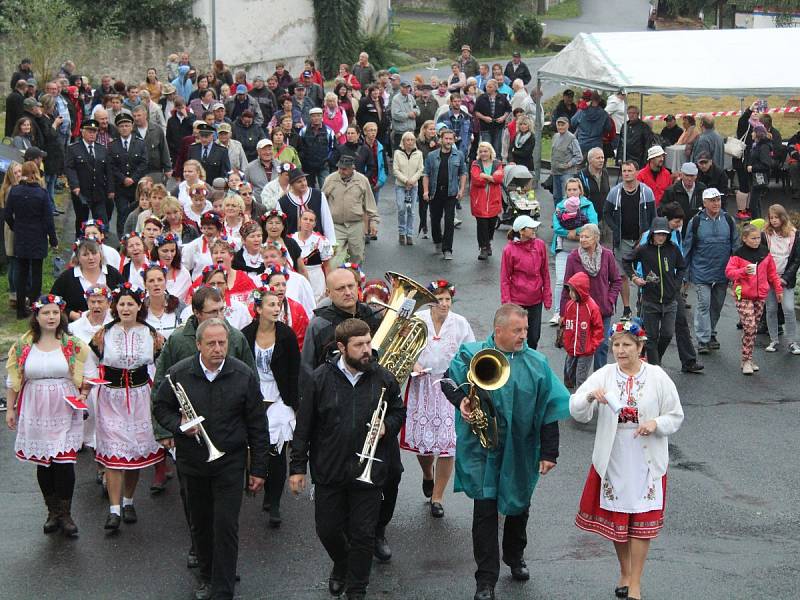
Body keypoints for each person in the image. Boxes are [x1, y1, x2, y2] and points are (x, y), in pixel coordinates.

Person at [440, 304, 570, 600]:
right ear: (498, 331)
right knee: (484, 512)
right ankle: (485, 580)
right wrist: (461, 400)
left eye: (525, 330)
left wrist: (550, 452)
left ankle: (515, 555)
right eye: (517, 330)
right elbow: (447, 381)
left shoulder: (537, 362)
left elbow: (550, 408)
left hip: (521, 448)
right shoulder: (471, 354)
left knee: (517, 506)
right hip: (482, 449)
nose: (524, 335)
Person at [289, 318, 405, 599]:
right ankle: (342, 564)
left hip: (369, 469)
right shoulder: (319, 379)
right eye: (359, 345)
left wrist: (387, 426)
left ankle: (357, 590)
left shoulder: (383, 377)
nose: (367, 350)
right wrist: (297, 468)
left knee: (363, 535)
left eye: (368, 342)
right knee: (328, 530)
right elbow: (304, 426)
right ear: (342, 347)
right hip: (330, 469)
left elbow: (398, 411)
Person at [153, 317, 266, 600]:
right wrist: (179, 424)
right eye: (212, 343)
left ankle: (223, 589)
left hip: (230, 460)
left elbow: (257, 424)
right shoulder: (179, 373)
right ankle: (207, 575)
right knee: (201, 524)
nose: (218, 349)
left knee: (226, 525)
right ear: (198, 345)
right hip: (193, 462)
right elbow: (160, 406)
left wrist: (259, 469)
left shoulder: (242, 374)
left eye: (222, 343)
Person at [570, 320, 684, 600]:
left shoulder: (657, 377)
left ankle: (635, 582)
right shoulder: (605, 374)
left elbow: (675, 415)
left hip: (646, 457)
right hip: (615, 455)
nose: (620, 351)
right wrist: (588, 397)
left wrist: (655, 424)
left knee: (642, 517)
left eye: (626, 345)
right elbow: (575, 408)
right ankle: (624, 570)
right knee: (619, 517)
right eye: (616, 345)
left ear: (640, 346)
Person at [5, 295, 93, 537]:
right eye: (46, 313)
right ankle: (52, 511)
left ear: (61, 315)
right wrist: (11, 409)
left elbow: (90, 373)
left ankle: (66, 513)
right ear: (37, 316)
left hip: (64, 406)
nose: (51, 317)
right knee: (44, 462)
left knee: (64, 461)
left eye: (55, 313)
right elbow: (13, 380)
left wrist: (84, 395)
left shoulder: (72, 344)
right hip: (35, 407)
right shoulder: (23, 346)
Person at [89, 283, 165, 531]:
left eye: (130, 303)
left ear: (138, 306)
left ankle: (129, 501)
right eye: (121, 303)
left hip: (140, 397)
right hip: (111, 398)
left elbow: (160, 365)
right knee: (113, 455)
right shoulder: (103, 334)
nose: (125, 307)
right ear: (115, 306)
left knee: (133, 453)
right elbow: (91, 363)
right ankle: (113, 510)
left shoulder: (151, 334)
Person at [401, 280, 473, 517]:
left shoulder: (460, 323)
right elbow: (403, 347)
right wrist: (414, 363)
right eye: (439, 299)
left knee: (447, 444)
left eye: (447, 299)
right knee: (424, 444)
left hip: (449, 385)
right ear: (431, 301)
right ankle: (427, 474)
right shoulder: (418, 320)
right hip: (422, 384)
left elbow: (470, 353)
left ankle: (438, 496)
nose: (444, 304)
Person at [241, 288, 300, 526]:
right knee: (256, 447)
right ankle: (259, 485)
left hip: (279, 397)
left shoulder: (286, 335)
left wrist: (295, 404)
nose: (276, 308)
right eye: (271, 305)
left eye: (278, 304)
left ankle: (274, 501)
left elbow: (295, 372)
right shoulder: (245, 335)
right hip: (254, 396)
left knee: (276, 452)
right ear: (258, 309)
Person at [624, 217, 686, 366]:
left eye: (664, 234)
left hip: (670, 301)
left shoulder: (673, 248)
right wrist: (634, 278)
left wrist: (676, 284)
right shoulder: (643, 249)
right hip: (650, 300)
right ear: (652, 234)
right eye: (658, 234)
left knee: (667, 334)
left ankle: (654, 360)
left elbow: (682, 267)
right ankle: (655, 367)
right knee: (651, 337)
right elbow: (626, 260)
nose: (661, 237)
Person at [561, 224, 623, 371]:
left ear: (596, 238)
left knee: (601, 346)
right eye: (581, 236)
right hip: (580, 311)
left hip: (602, 310)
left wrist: (610, 300)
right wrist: (563, 313)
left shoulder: (607, 255)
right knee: (578, 345)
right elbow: (566, 286)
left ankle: (599, 378)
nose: (582, 239)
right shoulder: (573, 257)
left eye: (586, 237)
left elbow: (616, 281)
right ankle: (570, 377)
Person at [683, 187, 737, 354]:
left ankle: (711, 333)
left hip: (723, 272)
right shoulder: (696, 221)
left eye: (718, 200)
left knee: (717, 305)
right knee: (703, 305)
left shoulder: (728, 220)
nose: (716, 203)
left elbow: (735, 246)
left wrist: (737, 271)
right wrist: (684, 273)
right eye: (712, 200)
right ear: (704, 202)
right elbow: (687, 248)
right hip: (701, 271)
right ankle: (703, 339)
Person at [726, 224, 783, 375]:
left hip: (760, 296)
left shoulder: (765, 252)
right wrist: (743, 271)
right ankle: (746, 360)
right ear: (744, 239)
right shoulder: (738, 254)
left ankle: (748, 358)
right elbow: (729, 273)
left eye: (758, 237)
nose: (757, 241)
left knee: (752, 329)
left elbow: (772, 273)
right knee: (750, 326)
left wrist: (778, 289)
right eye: (753, 238)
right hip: (742, 295)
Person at [4, 162, 58, 319]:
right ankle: (36, 307)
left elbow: (7, 215)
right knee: (36, 273)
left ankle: (20, 309)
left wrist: (16, 228)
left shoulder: (14, 191)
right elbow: (49, 220)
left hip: (21, 236)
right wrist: (53, 240)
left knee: (22, 273)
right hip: (37, 236)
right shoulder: (41, 193)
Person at [604, 161, 657, 319]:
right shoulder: (615, 192)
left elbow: (653, 215)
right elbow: (606, 213)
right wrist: (615, 229)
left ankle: (643, 304)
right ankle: (626, 308)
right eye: (624, 171)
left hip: (642, 240)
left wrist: (648, 235)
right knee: (623, 275)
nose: (626, 173)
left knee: (645, 274)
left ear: (636, 172)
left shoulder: (646, 192)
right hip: (623, 240)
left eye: (630, 170)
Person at [552, 178, 599, 325]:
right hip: (564, 249)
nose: (572, 192)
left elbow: (593, 225)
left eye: (575, 189)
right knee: (561, 281)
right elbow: (557, 227)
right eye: (569, 190)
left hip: (583, 250)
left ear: (580, 191)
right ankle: (557, 312)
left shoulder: (588, 205)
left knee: (585, 281)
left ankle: (585, 310)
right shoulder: (560, 207)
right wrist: (570, 233)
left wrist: (575, 231)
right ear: (566, 191)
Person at [500, 215, 550, 350]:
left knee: (534, 337)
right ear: (521, 231)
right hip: (518, 302)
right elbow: (505, 278)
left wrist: (547, 296)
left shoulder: (539, 245)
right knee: (517, 336)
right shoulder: (509, 250)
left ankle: (530, 360)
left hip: (536, 300)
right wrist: (507, 303)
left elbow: (545, 271)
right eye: (531, 227)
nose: (535, 229)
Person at [322, 155, 378, 267]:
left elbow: (370, 203)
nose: (341, 171)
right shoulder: (330, 179)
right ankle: (337, 282)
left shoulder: (362, 180)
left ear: (352, 168)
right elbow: (322, 202)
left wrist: (373, 222)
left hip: (356, 224)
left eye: (344, 169)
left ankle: (355, 282)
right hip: (336, 225)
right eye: (339, 168)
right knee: (334, 258)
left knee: (357, 257)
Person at [51, 237, 123, 321]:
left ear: (100, 254)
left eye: (94, 253)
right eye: (85, 255)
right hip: (76, 327)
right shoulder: (67, 277)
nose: (91, 258)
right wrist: (71, 314)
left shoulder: (112, 273)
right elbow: (53, 301)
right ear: (78, 257)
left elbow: (126, 296)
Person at [422, 129, 467, 261]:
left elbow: (463, 173)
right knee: (435, 220)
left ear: (453, 140)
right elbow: (426, 174)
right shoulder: (432, 155)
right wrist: (425, 191)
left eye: (450, 139)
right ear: (441, 140)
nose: (448, 141)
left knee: (449, 221)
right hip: (435, 193)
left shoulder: (458, 155)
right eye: (446, 139)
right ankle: (437, 240)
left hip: (451, 193)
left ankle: (447, 249)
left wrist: (461, 190)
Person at [64, 120, 114, 237]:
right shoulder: (74, 148)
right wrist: (75, 185)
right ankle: (80, 244)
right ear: (82, 132)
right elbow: (69, 168)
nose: (92, 134)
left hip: (99, 191)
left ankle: (100, 245)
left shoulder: (102, 149)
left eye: (94, 131)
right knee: (82, 221)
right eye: (89, 131)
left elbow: (109, 170)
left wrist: (111, 189)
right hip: (82, 192)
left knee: (102, 222)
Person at [763, 204, 800, 354]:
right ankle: (774, 340)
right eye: (771, 218)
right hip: (769, 278)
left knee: (789, 308)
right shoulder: (765, 234)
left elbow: (797, 259)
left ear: (782, 217)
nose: (773, 221)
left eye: (776, 217)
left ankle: (792, 341)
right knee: (771, 309)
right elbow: (762, 255)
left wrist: (785, 278)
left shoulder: (793, 234)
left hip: (786, 279)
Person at [560, 271, 604, 389]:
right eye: (569, 291)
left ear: (581, 291)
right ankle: (569, 396)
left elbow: (598, 329)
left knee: (581, 378)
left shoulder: (592, 307)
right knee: (568, 374)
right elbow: (566, 324)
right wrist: (565, 340)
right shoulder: (569, 305)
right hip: (571, 349)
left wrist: (592, 346)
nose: (571, 294)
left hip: (585, 351)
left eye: (573, 291)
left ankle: (581, 401)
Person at [109, 113, 149, 238]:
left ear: (132, 127)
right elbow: (111, 166)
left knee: (138, 211)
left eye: (127, 125)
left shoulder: (140, 143)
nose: (124, 128)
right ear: (118, 128)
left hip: (136, 186)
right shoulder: (112, 145)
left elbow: (144, 162)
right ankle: (122, 240)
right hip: (120, 186)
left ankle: (137, 237)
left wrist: (133, 178)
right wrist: (123, 178)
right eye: (121, 126)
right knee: (122, 212)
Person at [258, 264, 310, 350]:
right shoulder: (259, 308)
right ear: (267, 286)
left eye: (284, 285)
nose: (281, 288)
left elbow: (304, 338)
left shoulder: (297, 308)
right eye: (277, 285)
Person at [470, 142, 504, 261]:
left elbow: (499, 178)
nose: (483, 154)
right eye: (481, 152)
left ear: (490, 152)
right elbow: (476, 180)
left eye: (486, 151)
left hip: (494, 199)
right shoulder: (476, 164)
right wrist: (490, 178)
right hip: (480, 200)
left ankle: (488, 242)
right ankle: (483, 247)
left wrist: (485, 176)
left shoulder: (497, 163)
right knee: (482, 225)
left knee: (491, 224)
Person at [392, 131, 424, 247]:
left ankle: (409, 234)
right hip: (401, 185)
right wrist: (405, 180)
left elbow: (420, 169)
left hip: (413, 186)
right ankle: (401, 231)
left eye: (412, 140)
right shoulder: (397, 153)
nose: (410, 142)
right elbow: (395, 170)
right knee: (401, 208)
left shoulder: (419, 154)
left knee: (411, 211)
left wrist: (412, 181)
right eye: (407, 140)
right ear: (403, 141)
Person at [297, 107, 336, 188]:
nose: (316, 118)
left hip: (323, 165)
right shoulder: (303, 131)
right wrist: (304, 160)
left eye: (318, 116)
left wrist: (327, 160)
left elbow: (332, 148)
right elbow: (300, 147)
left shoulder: (329, 131)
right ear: (310, 117)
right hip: (308, 166)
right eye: (314, 116)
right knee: (309, 189)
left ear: (322, 117)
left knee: (326, 188)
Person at [661, 162, 706, 231]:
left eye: (692, 176)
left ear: (696, 176)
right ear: (681, 175)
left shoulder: (702, 189)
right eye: (687, 175)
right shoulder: (671, 191)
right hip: (678, 229)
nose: (689, 179)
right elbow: (663, 210)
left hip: (698, 228)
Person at [550, 116, 583, 205]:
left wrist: (569, 164)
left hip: (567, 173)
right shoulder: (555, 136)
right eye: (559, 125)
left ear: (567, 125)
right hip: (555, 172)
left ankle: (569, 215)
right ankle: (558, 214)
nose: (560, 127)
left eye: (563, 125)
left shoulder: (572, 138)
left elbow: (579, 156)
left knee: (567, 196)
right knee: (556, 196)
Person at [474, 80, 511, 159]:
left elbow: (508, 109)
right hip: (485, 127)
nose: (488, 88)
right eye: (487, 86)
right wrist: (484, 118)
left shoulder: (502, 97)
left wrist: (503, 117)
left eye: (490, 87)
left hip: (498, 127)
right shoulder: (481, 98)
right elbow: (476, 111)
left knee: (497, 148)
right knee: (486, 147)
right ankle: (486, 163)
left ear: (495, 88)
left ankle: (497, 165)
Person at [744, 125, 775, 221]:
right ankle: (760, 222)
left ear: (757, 134)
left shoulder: (764, 146)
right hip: (755, 178)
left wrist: (752, 168)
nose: (751, 133)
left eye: (753, 132)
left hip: (759, 178)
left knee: (753, 204)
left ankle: (757, 223)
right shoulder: (757, 145)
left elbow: (766, 165)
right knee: (756, 203)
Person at [571, 92, 613, 157]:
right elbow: (609, 128)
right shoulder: (604, 114)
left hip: (582, 144)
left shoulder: (581, 112)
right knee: (595, 166)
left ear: (590, 100)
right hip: (597, 145)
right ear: (599, 100)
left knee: (579, 165)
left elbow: (572, 122)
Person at [578, 147, 611, 225]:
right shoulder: (581, 175)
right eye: (598, 158)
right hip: (588, 218)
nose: (601, 160)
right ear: (590, 160)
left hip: (604, 218)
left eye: (602, 157)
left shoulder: (605, 173)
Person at [390, 81, 419, 150]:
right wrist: (408, 115)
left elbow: (416, 108)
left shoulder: (411, 97)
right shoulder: (396, 99)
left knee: (412, 152)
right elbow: (395, 115)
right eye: (405, 87)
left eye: (408, 87)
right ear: (401, 88)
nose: (407, 89)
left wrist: (415, 113)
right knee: (400, 153)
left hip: (411, 131)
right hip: (400, 133)